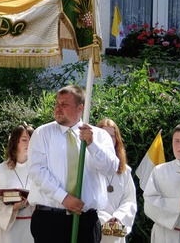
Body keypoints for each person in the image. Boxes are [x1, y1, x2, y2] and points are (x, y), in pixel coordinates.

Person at [27, 85, 118, 243]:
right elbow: (37, 171)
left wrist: (91, 144)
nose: (58, 108)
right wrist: (63, 198)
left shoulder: (99, 136)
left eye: (64, 104)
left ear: (80, 108)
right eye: (57, 104)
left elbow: (111, 168)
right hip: (49, 220)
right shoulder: (42, 134)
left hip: (85, 222)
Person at [0, 123, 35, 243]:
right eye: (24, 140)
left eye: (32, 140)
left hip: (31, 227)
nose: (29, 143)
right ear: (15, 142)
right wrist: (12, 209)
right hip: (8, 230)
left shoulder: (38, 170)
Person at [95, 118, 137, 243]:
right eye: (104, 135)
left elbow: (129, 200)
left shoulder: (124, 171)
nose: (108, 139)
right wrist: (104, 219)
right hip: (94, 228)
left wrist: (117, 218)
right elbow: (85, 199)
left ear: (116, 140)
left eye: (112, 136)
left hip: (116, 233)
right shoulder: (88, 167)